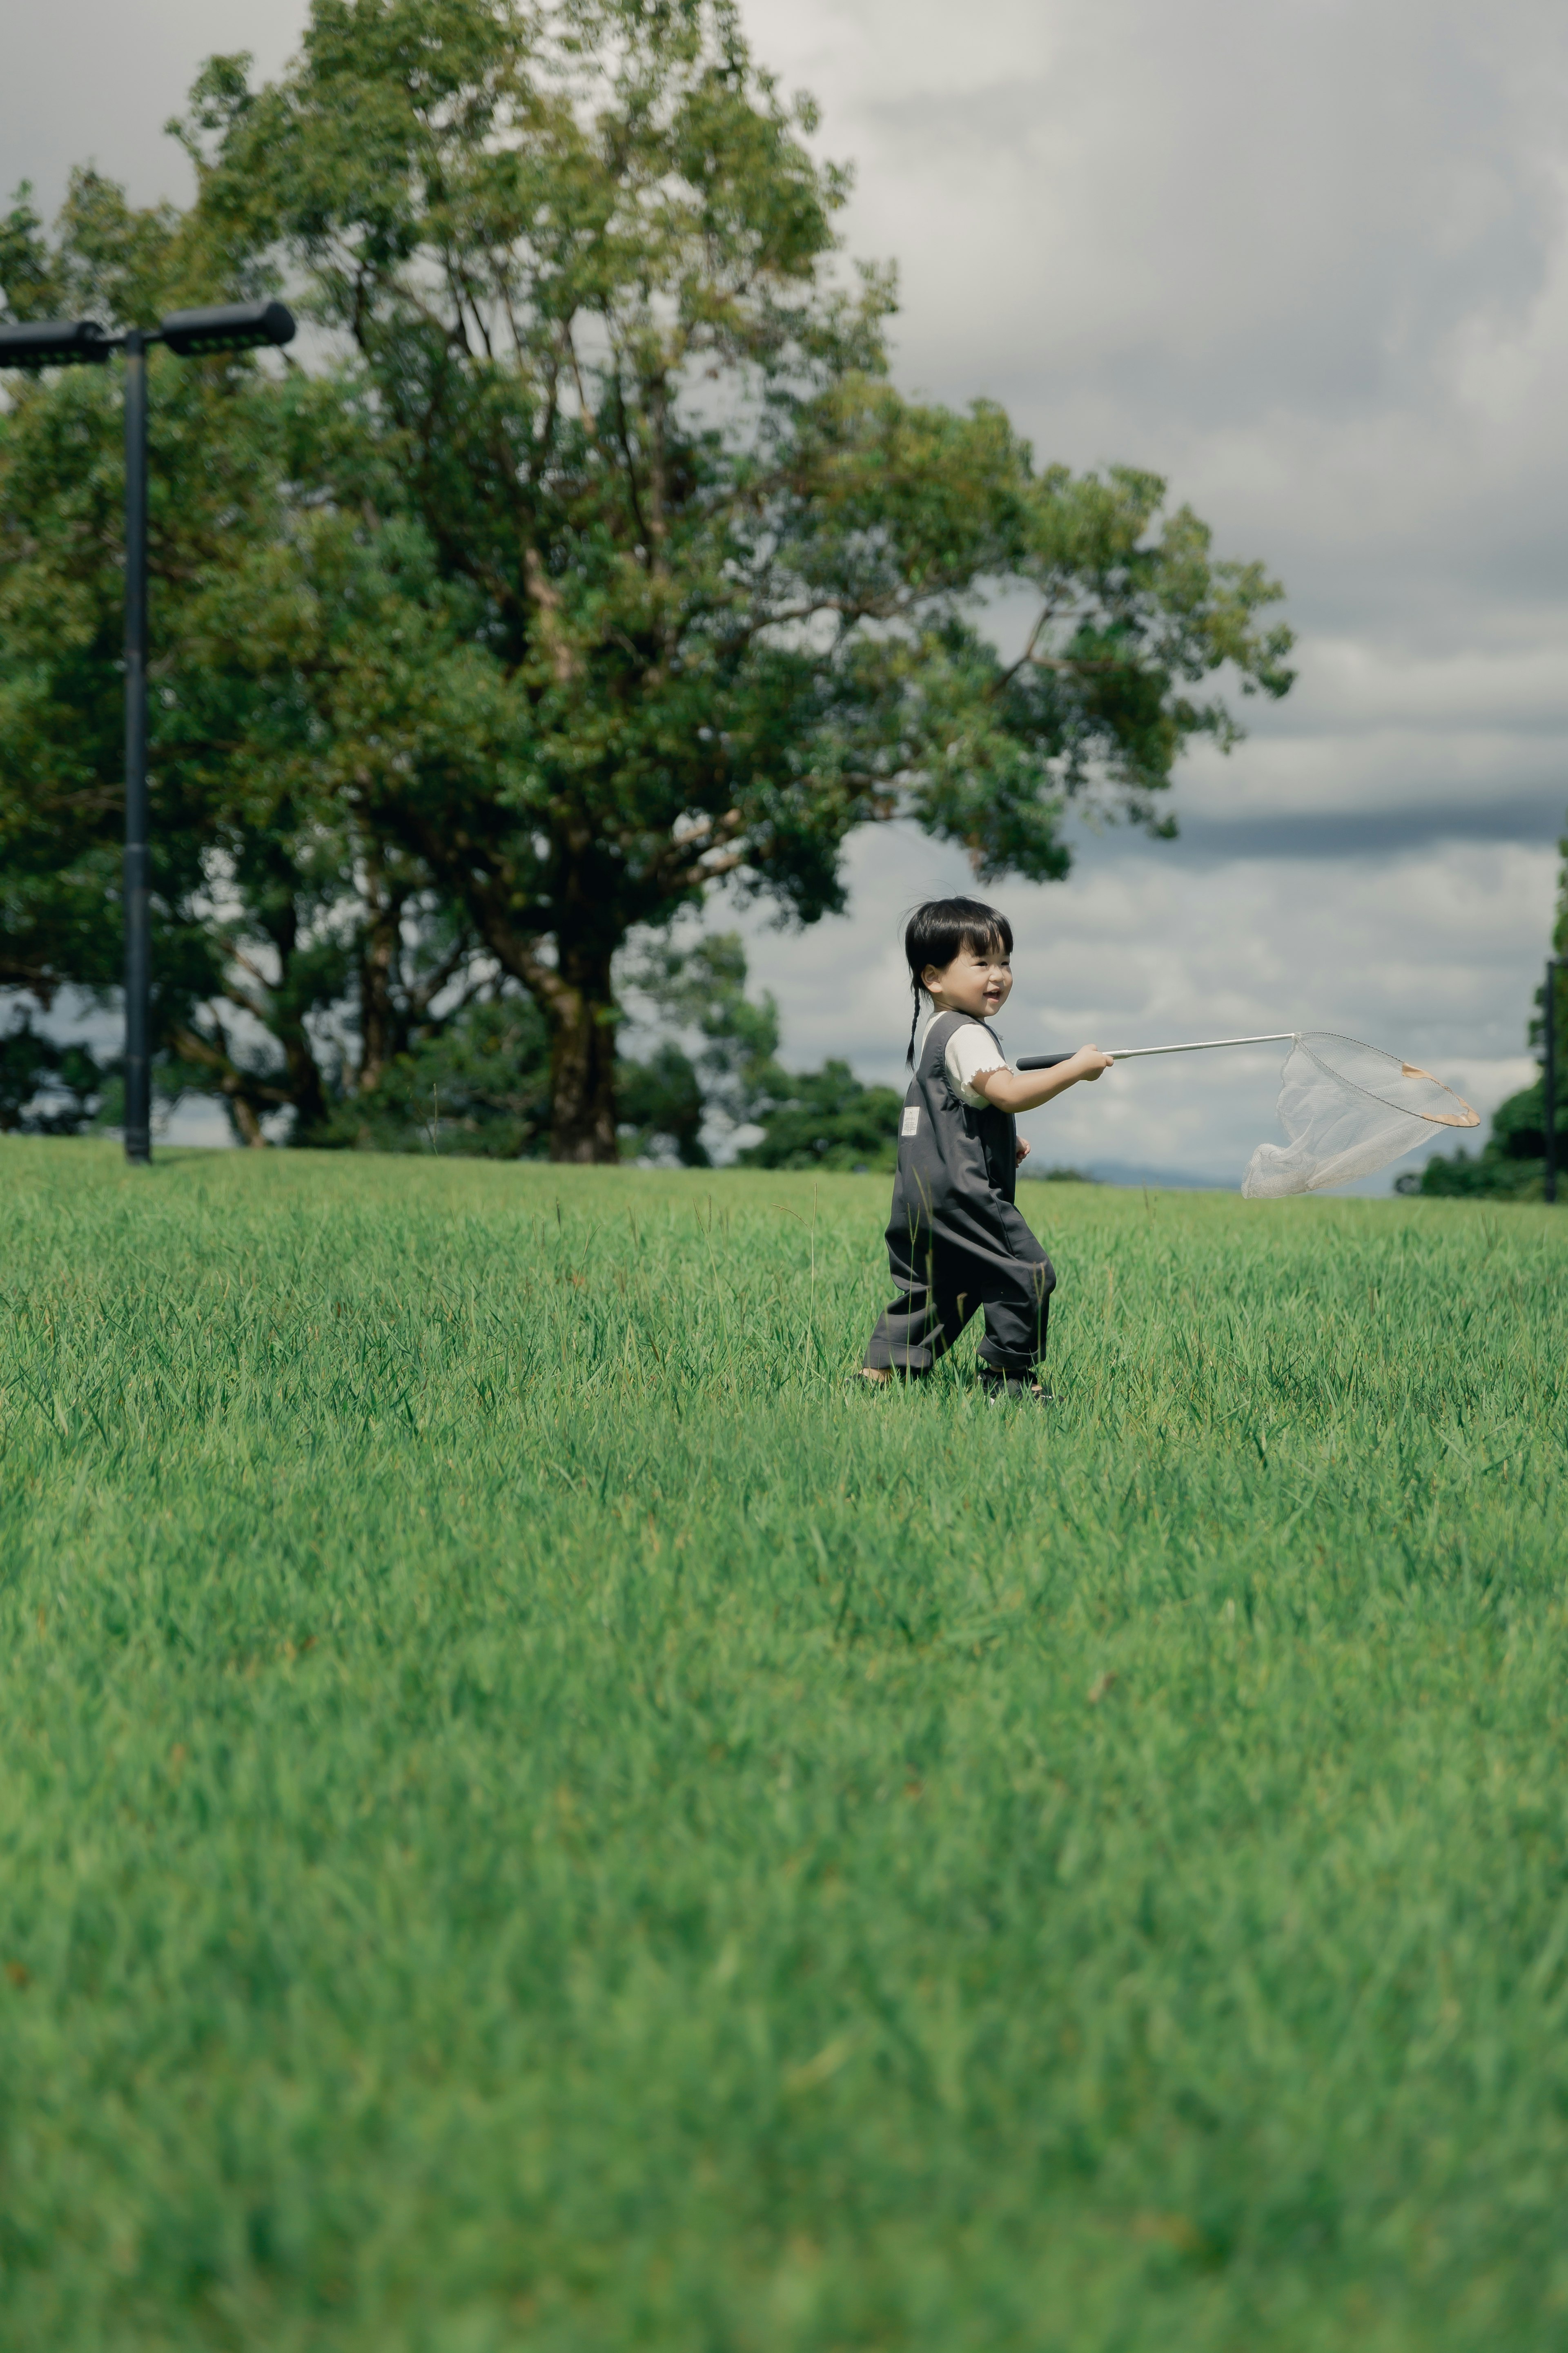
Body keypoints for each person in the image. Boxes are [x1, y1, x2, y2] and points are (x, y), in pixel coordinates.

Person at [862, 897, 1114, 1399]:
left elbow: (957, 1108)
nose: (998, 975)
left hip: (925, 1194)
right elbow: (1009, 1092)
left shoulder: (937, 1030)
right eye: (981, 963)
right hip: (966, 1192)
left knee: (947, 1285)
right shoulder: (967, 1034)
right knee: (1027, 1272)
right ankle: (1008, 1380)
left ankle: (880, 1375)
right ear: (933, 977)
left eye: (1005, 962)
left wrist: (999, 1135)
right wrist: (1076, 1070)